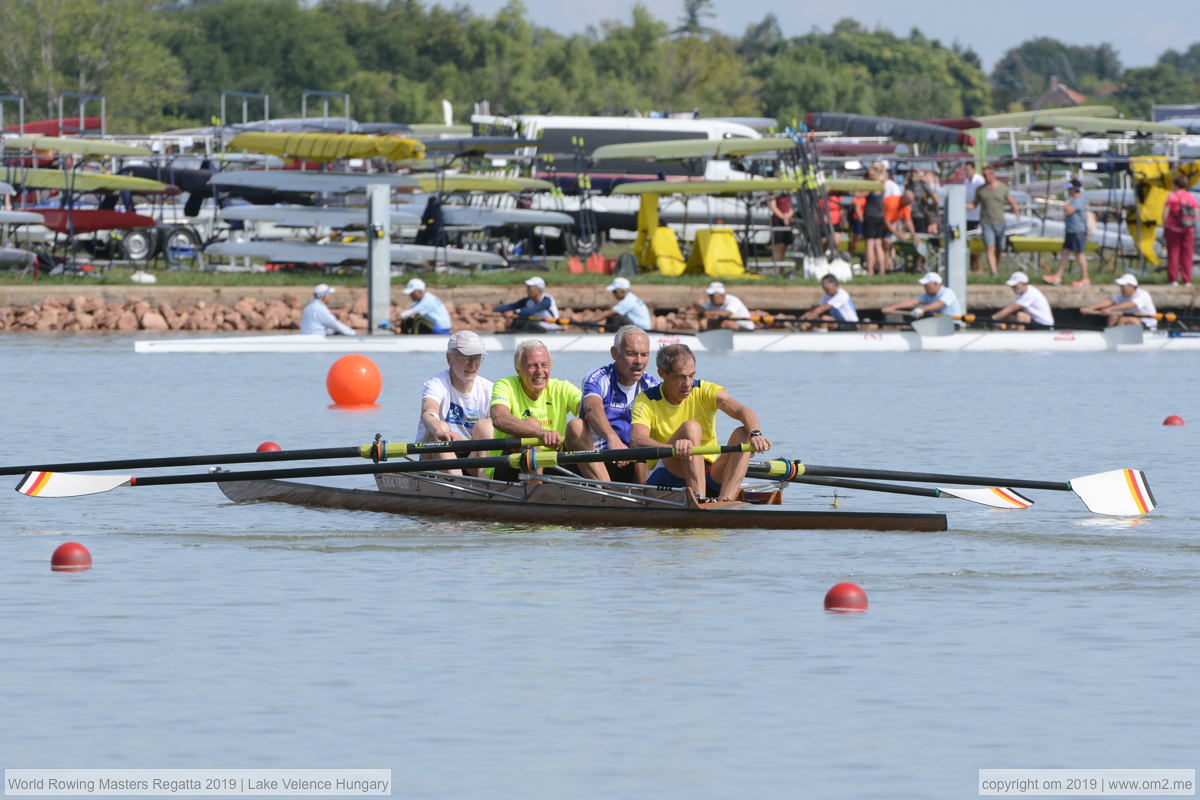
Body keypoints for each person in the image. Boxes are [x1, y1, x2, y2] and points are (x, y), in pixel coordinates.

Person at [630, 343, 771, 502]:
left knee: (744, 432)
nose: (688, 384)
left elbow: (742, 411)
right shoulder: (647, 399)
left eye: (691, 375)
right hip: (668, 473)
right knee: (691, 427)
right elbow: (637, 439)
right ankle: (700, 500)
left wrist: (756, 434)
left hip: (708, 472)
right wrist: (672, 448)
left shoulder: (705, 390)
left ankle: (726, 502)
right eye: (680, 377)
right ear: (662, 373)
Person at [489, 339, 586, 479]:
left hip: (554, 462)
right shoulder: (505, 385)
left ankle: (604, 487)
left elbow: (588, 408)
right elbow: (499, 418)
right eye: (532, 366)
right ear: (518, 370)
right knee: (531, 424)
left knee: (579, 425)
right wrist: (541, 433)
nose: (540, 372)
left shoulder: (562, 388)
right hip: (510, 466)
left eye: (544, 365)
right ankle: (535, 491)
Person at [577, 326, 661, 483]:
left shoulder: (653, 386)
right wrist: (612, 438)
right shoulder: (597, 378)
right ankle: (607, 489)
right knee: (575, 426)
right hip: (601, 457)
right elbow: (592, 408)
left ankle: (646, 496)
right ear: (615, 353)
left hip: (635, 459)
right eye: (631, 354)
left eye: (644, 355)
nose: (639, 362)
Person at [415, 331, 496, 474]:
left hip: (472, 458)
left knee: (486, 426)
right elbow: (428, 411)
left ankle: (485, 482)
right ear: (449, 359)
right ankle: (460, 485)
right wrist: (441, 431)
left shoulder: (489, 389)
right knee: (438, 429)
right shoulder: (436, 384)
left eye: (477, 358)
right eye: (465, 357)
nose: (473, 365)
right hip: (437, 455)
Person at [970, 165, 1020, 277]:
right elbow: (974, 204)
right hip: (986, 222)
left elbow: (1010, 200)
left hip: (1000, 222)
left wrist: (1016, 211)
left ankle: (995, 268)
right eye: (983, 175)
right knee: (990, 247)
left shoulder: (1002, 188)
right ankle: (994, 272)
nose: (985, 177)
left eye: (986, 175)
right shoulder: (980, 190)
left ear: (993, 175)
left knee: (999, 248)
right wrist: (961, 205)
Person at [1041, 180, 1090, 287]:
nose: (1068, 190)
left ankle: (1085, 278)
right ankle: (1058, 276)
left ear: (1074, 189)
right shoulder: (1073, 200)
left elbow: (1068, 211)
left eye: (1070, 188)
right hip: (1070, 231)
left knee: (1079, 254)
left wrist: (1064, 205)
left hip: (1077, 231)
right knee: (1064, 254)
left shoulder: (1078, 200)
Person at [1081, 273, 1158, 329]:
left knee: (1123, 319)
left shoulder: (1143, 294)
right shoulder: (1123, 294)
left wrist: (1110, 309)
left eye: (1123, 286)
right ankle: (1110, 337)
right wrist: (1090, 308)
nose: (1121, 288)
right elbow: (1108, 301)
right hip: (1133, 320)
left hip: (1148, 324)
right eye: (1120, 286)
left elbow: (1129, 304)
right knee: (1113, 316)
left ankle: (1119, 342)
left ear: (1132, 286)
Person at [881, 272, 963, 321]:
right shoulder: (928, 295)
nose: (924, 287)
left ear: (935, 283)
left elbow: (939, 304)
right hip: (937, 324)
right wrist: (892, 307)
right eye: (924, 285)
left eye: (926, 285)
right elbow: (913, 302)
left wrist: (921, 309)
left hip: (952, 324)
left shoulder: (947, 292)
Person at [492, 276, 560, 332]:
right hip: (537, 328)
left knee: (525, 321)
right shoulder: (528, 301)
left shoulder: (547, 300)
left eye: (530, 287)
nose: (527, 290)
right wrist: (493, 309)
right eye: (527, 287)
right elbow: (512, 306)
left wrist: (514, 312)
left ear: (539, 289)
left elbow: (531, 310)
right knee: (518, 321)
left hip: (551, 329)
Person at [1164, 174, 1197, 286]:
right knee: (1187, 255)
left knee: (1173, 254)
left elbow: (1166, 212)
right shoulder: (1191, 196)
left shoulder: (1172, 196)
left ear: (1175, 184)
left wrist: (1165, 224)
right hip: (1188, 229)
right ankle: (1187, 280)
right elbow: (1196, 212)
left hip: (1173, 229)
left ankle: (1173, 279)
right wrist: (1191, 224)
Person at [862, 165, 888, 276]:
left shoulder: (872, 185)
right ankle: (882, 270)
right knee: (878, 244)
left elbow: (860, 194)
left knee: (870, 244)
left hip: (870, 216)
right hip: (879, 216)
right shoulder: (882, 183)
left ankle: (870, 270)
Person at [963, 162, 986, 274]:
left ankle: (979, 268)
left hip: (977, 216)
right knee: (968, 243)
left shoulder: (980, 181)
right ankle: (971, 268)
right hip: (968, 216)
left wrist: (968, 205)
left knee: (975, 243)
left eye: (967, 169)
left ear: (973, 169)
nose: (966, 172)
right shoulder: (966, 181)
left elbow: (978, 199)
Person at [767, 193, 794, 263]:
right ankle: (777, 268)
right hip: (777, 221)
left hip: (787, 222)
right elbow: (773, 207)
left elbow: (791, 208)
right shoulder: (774, 194)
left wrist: (787, 217)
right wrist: (783, 217)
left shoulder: (788, 194)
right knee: (778, 246)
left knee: (785, 245)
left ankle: (780, 267)